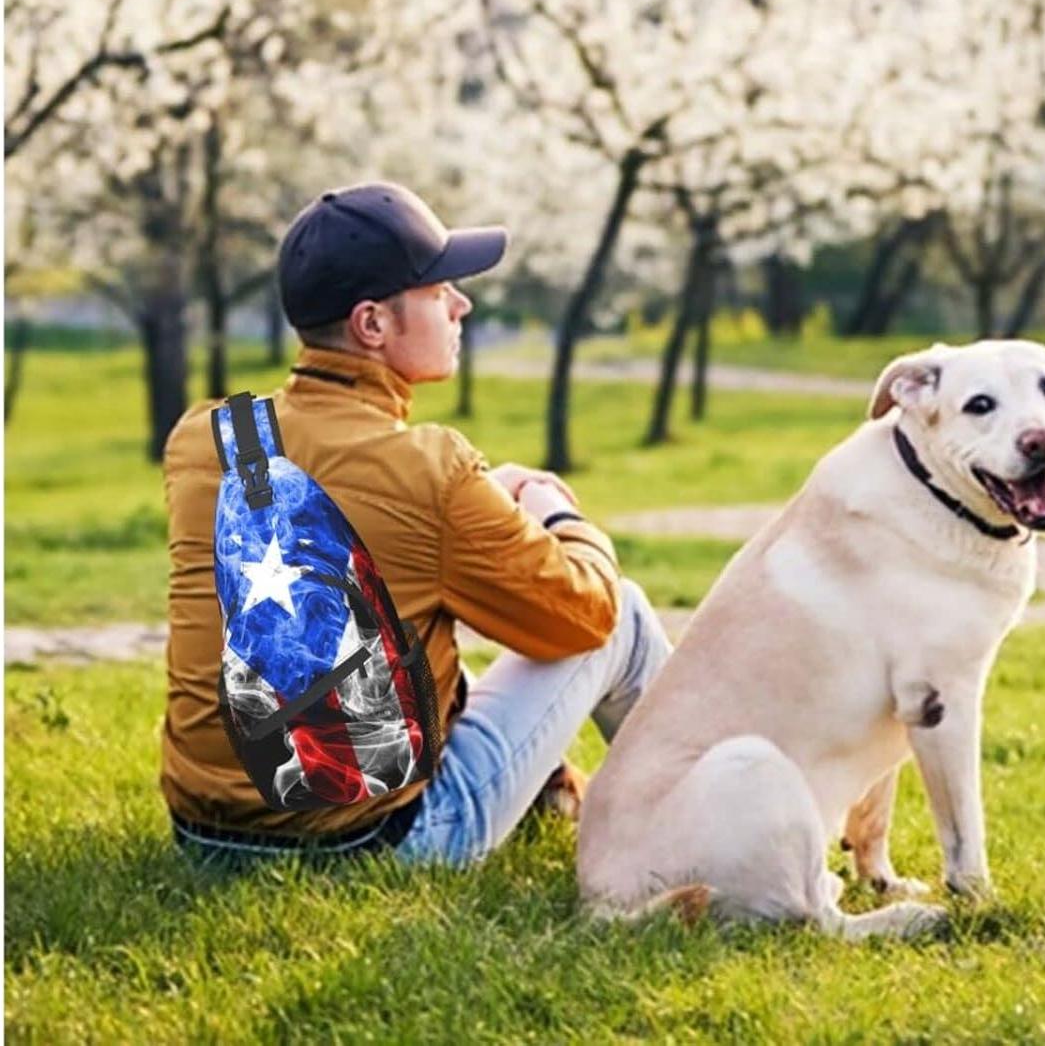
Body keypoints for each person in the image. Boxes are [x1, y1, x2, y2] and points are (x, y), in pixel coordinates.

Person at [161, 181, 672, 864]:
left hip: (204, 836)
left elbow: (346, 512)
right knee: (623, 610)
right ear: (372, 324)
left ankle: (552, 795)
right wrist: (553, 509)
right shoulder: (430, 471)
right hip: (371, 843)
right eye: (438, 291)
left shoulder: (208, 437)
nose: (462, 304)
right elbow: (584, 618)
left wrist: (479, 505)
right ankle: (714, 822)